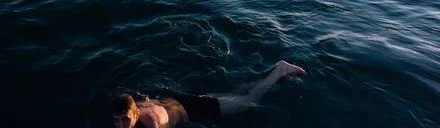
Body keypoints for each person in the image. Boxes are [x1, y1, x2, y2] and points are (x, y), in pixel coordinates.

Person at [112, 60, 306, 128]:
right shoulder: (134, 104)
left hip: (193, 109)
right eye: (117, 121)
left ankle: (279, 71)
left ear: (136, 114)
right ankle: (273, 76)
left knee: (247, 102)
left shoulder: (152, 124)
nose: (121, 126)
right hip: (181, 97)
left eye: (125, 120)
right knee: (235, 95)